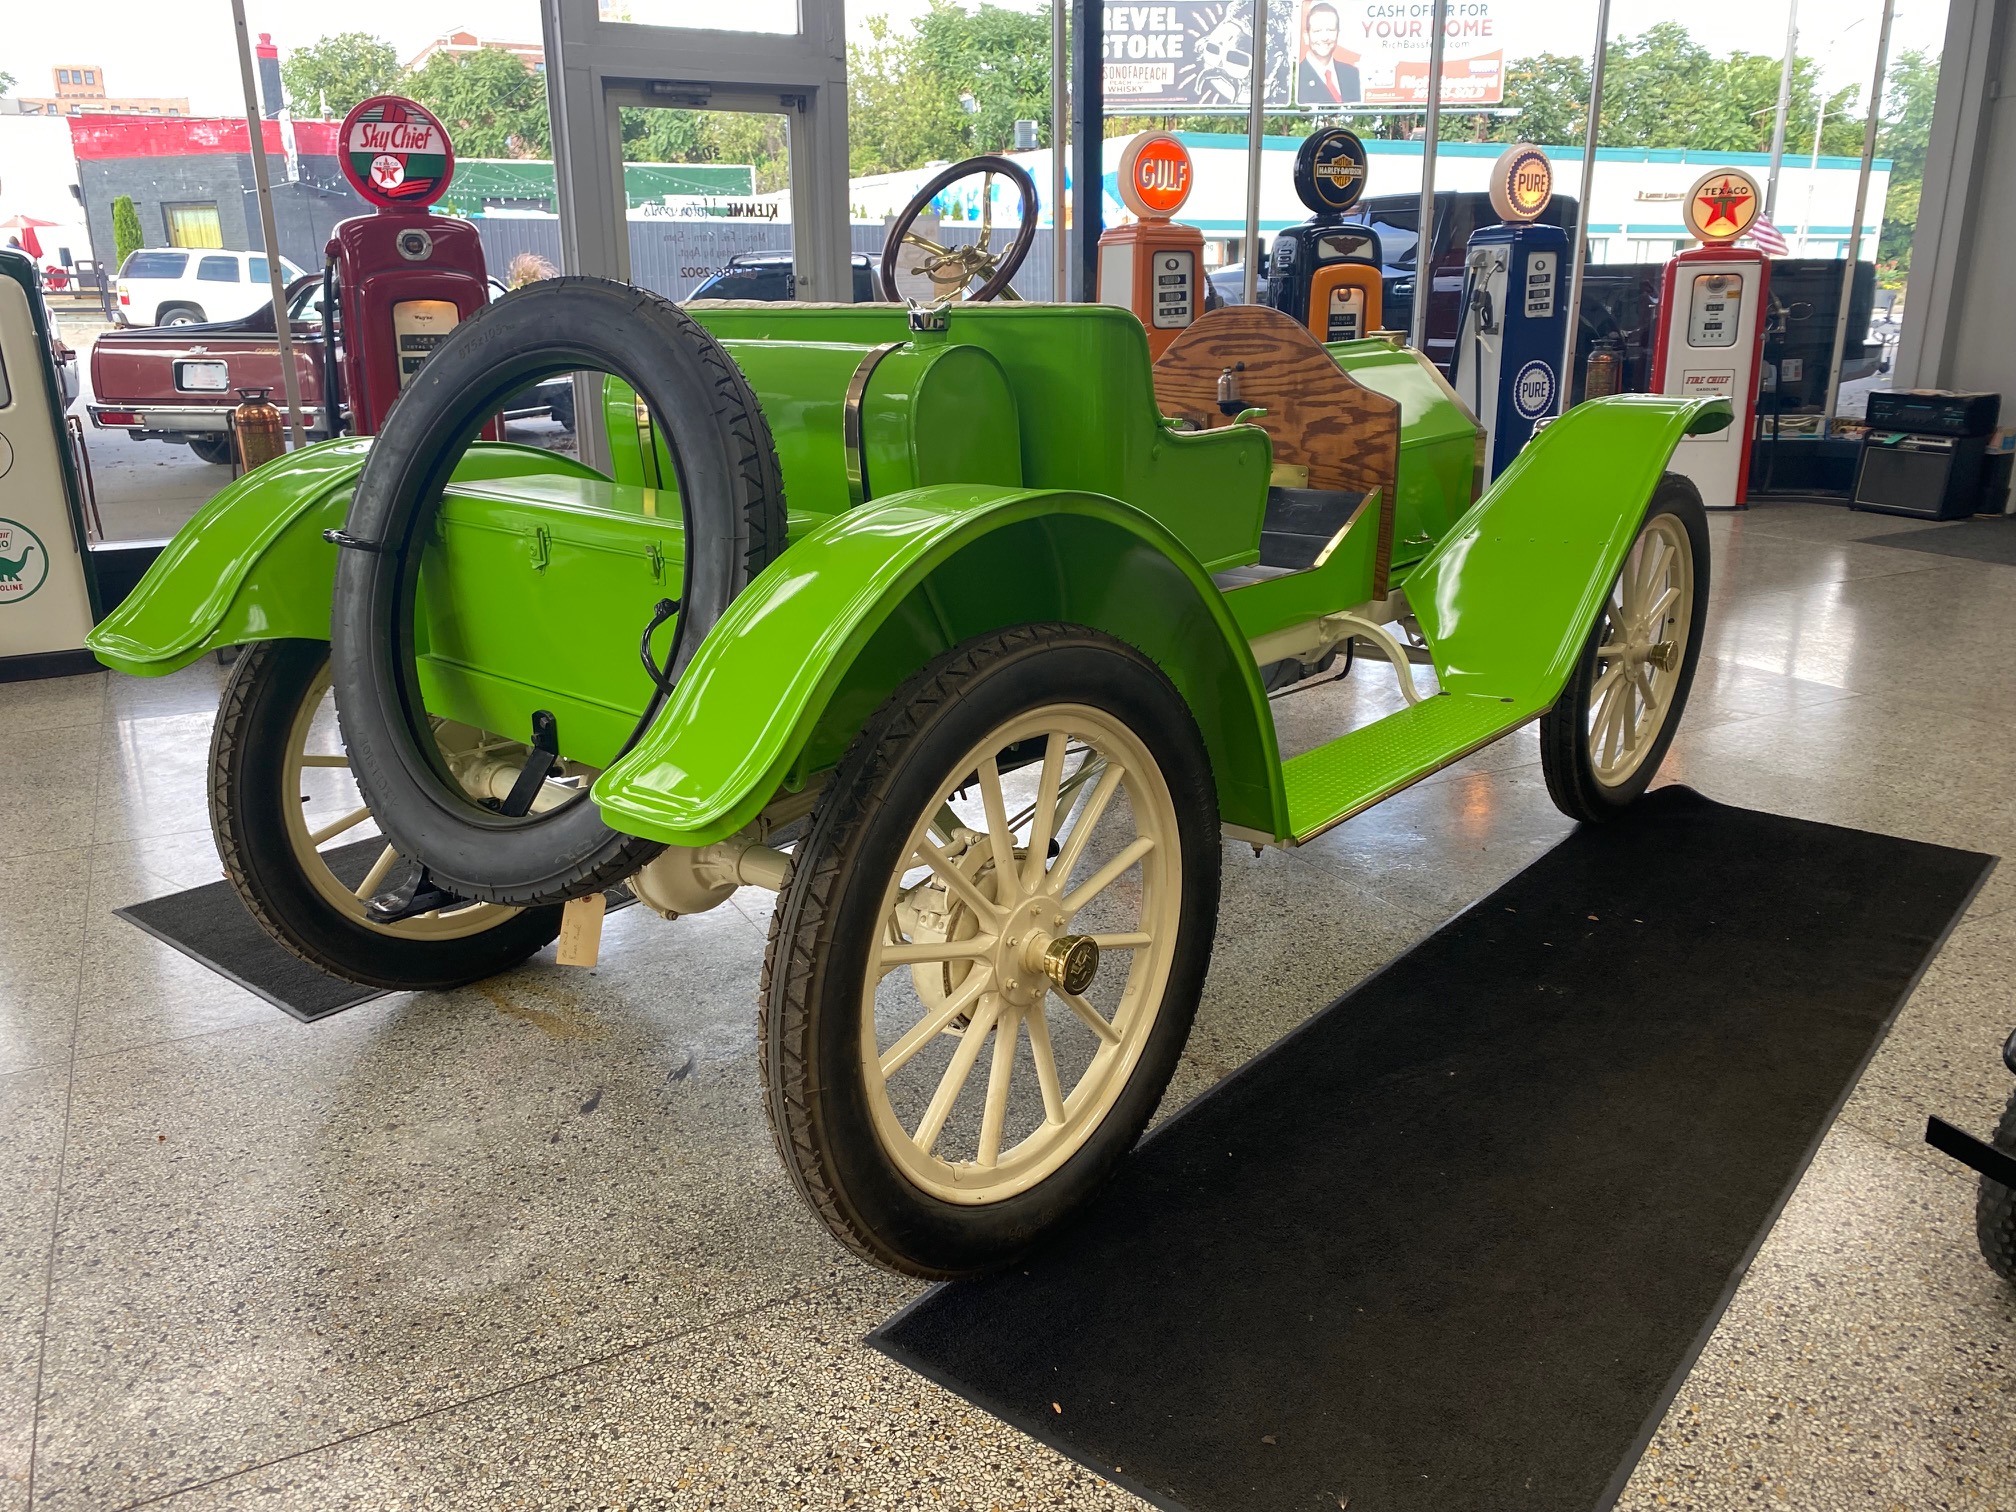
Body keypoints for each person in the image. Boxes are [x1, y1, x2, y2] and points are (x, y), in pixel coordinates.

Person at [1296, 2, 1361, 106]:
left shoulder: (1352, 74)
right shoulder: (1297, 77)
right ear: (1306, 36)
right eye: (1317, 31)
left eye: (1330, 30)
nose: (1324, 38)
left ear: (1338, 34)